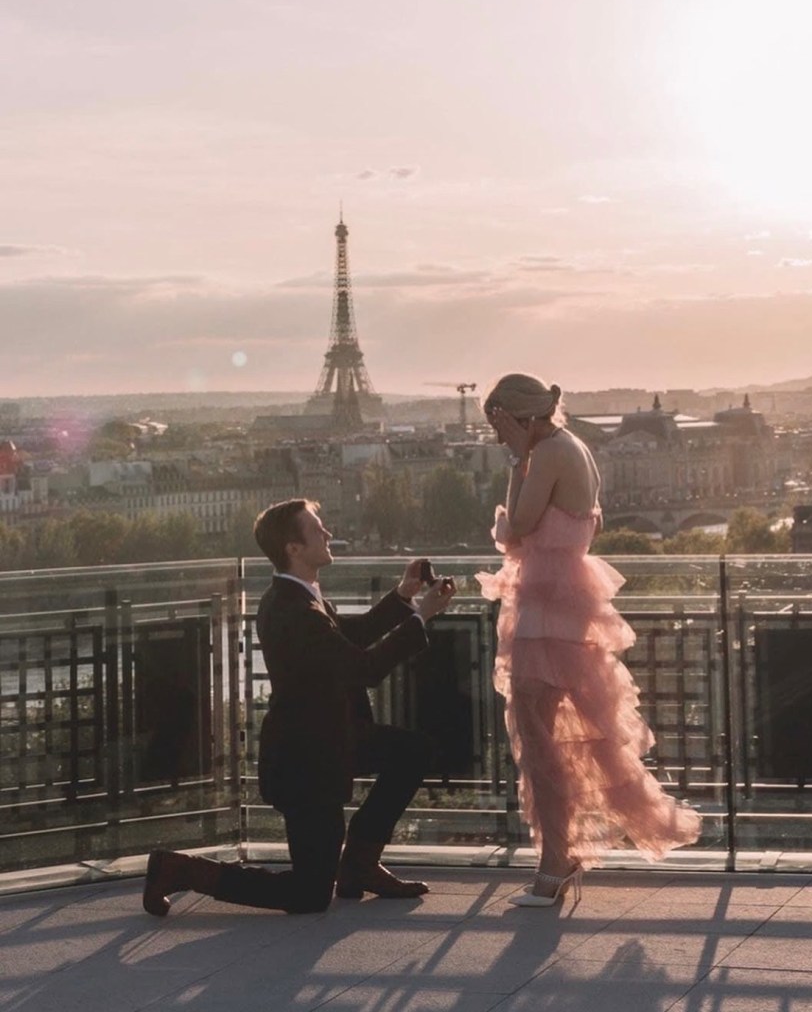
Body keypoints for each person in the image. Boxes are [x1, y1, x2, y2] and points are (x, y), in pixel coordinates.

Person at [143, 498, 455, 916]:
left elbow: (353, 635)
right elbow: (364, 669)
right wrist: (422, 618)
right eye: (318, 529)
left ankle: (359, 864)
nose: (328, 534)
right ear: (293, 547)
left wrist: (404, 595)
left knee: (413, 751)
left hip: (331, 739)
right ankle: (180, 870)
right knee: (309, 895)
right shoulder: (295, 611)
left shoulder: (300, 598)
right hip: (306, 764)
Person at [477, 373, 701, 907]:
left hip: (548, 609)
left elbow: (517, 530)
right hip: (559, 602)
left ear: (520, 418)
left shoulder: (548, 452)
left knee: (539, 739)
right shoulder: (568, 446)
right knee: (558, 737)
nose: (496, 437)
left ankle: (556, 863)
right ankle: (558, 857)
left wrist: (514, 459)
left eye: (500, 426)